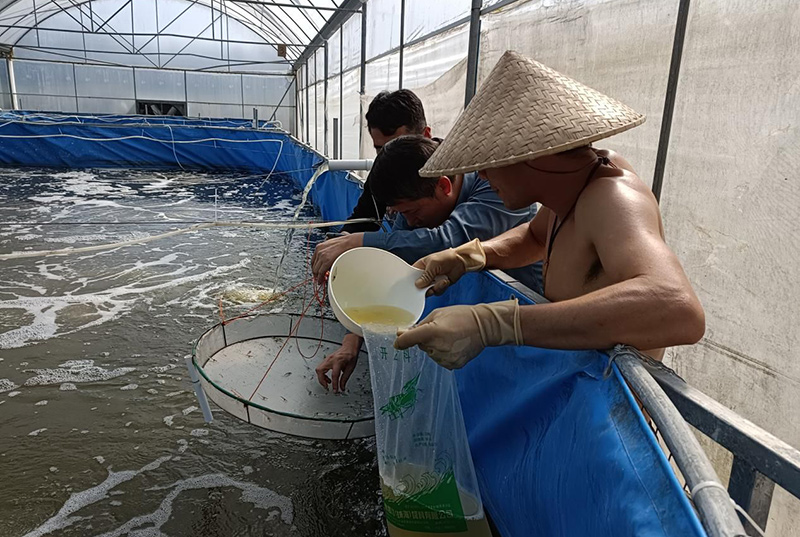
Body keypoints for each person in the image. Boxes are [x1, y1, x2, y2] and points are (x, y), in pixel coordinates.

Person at [394, 51, 705, 368]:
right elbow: (535, 237)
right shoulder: (572, 190)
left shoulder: (611, 196)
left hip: (614, 406)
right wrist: (470, 256)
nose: (483, 176)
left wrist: (495, 324)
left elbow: (677, 306)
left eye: (488, 163)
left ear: (535, 154)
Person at [312, 135, 540, 391]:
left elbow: (447, 240)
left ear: (444, 186)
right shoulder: (418, 199)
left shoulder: (498, 189)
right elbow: (394, 263)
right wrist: (351, 341)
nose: (408, 222)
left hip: (538, 326)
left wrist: (358, 242)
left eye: (412, 212)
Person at [341, 89, 432, 233]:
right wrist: (341, 240)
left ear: (425, 136)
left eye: (400, 147)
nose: (390, 159)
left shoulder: (463, 171)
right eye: (380, 149)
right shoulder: (384, 169)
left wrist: (361, 241)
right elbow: (364, 219)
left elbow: (447, 238)